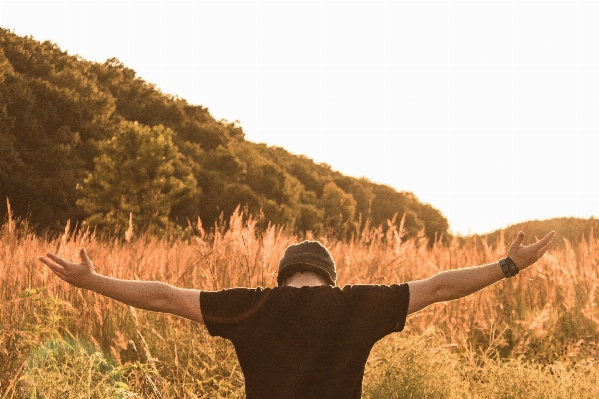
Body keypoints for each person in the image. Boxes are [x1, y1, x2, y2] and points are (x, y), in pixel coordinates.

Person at [39, 230, 555, 398]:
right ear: (329, 276)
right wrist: (508, 264)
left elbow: (164, 296)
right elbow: (441, 286)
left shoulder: (252, 305)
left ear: (283, 275)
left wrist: (92, 280)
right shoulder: (356, 305)